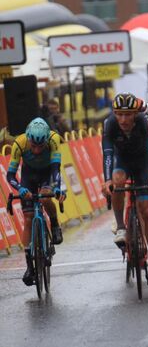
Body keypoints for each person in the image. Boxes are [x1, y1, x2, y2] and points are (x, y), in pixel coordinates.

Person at [102, 93, 148, 284]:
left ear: (135, 114)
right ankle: (120, 226)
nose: (123, 119)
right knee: (117, 180)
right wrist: (107, 180)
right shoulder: (109, 124)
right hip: (123, 162)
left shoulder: (144, 122)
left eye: (128, 115)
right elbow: (108, 154)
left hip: (144, 164)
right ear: (114, 113)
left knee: (146, 210)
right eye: (119, 114)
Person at [7, 117, 66, 286]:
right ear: (28, 139)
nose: (37, 150)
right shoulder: (19, 143)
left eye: (41, 146)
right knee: (28, 218)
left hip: (47, 173)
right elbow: (10, 175)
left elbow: (56, 169)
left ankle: (54, 224)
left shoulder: (54, 139)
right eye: (33, 146)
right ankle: (29, 266)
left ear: (47, 140)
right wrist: (20, 188)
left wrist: (56, 187)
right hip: (28, 176)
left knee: (46, 196)